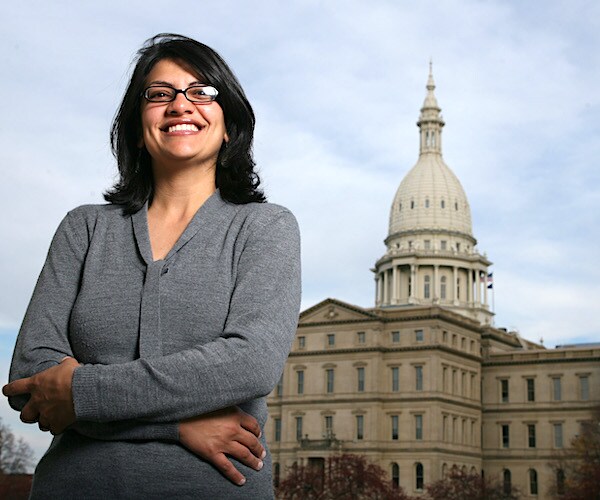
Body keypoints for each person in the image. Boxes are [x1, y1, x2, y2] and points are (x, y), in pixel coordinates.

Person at [3, 33, 301, 499]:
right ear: (137, 129)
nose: (180, 105)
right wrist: (179, 425)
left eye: (202, 92)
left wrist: (81, 394)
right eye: (159, 94)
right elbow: (30, 378)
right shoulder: (83, 228)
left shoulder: (265, 227)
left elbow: (250, 364)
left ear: (229, 127)